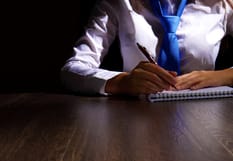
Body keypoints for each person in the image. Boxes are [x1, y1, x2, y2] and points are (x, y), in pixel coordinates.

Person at [61, 0, 233, 96]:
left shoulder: (222, 5)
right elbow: (72, 70)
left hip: (204, 121)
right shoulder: (119, 4)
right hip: (137, 118)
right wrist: (121, 82)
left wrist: (221, 76)